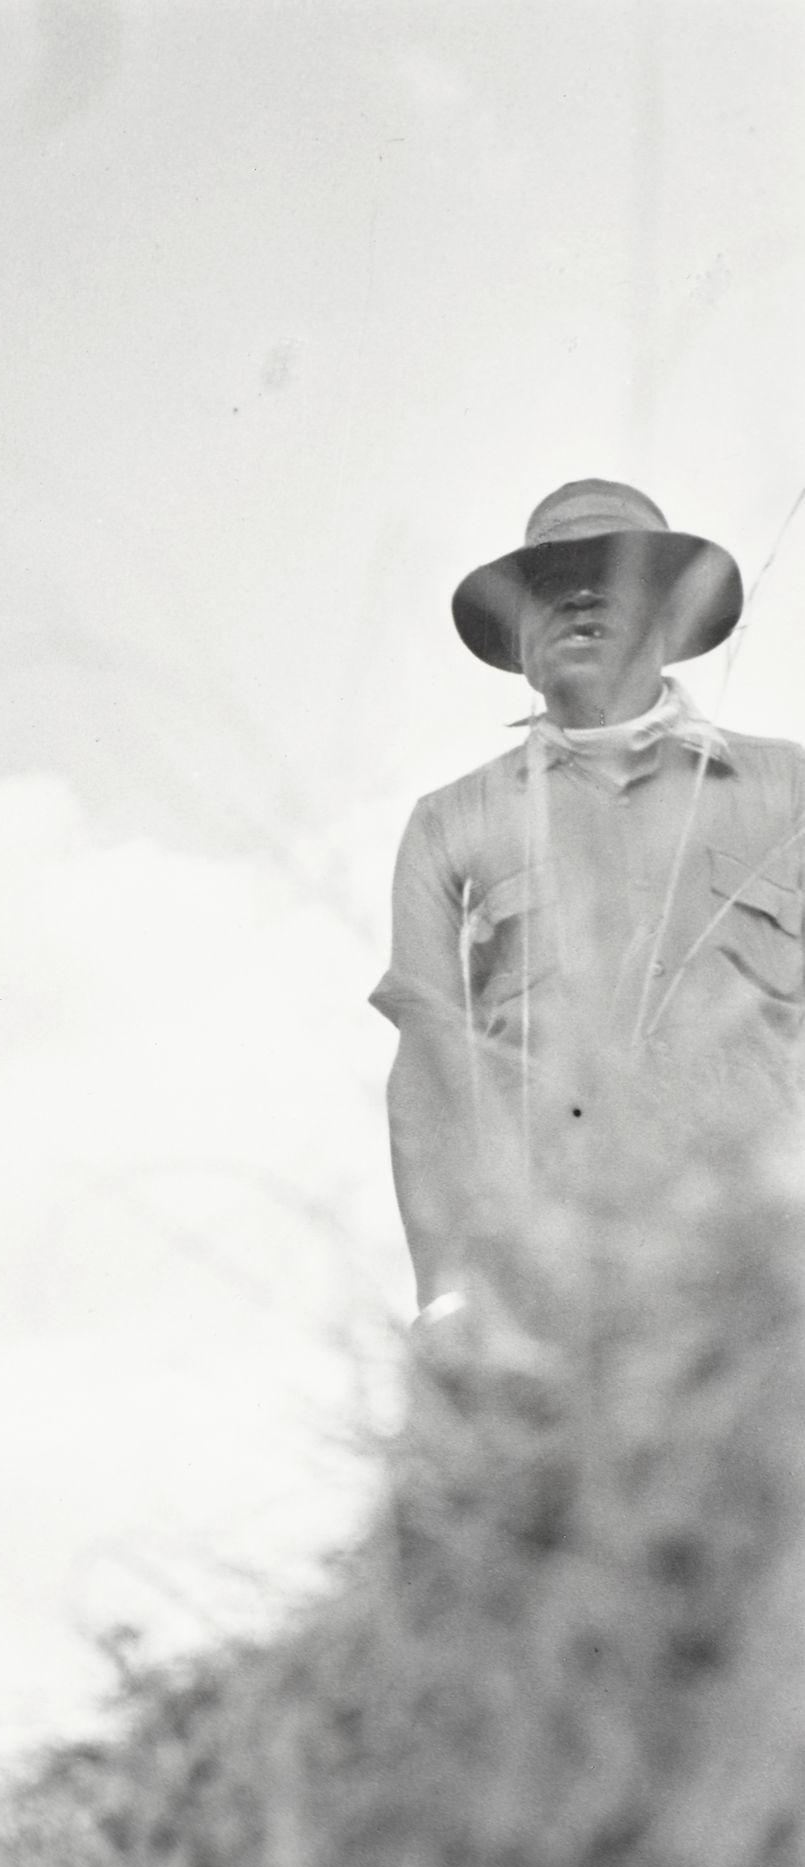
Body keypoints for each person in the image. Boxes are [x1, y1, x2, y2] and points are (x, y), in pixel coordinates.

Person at [382, 480, 805, 1313]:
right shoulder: (447, 823)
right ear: (517, 638)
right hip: (557, 1297)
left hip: (770, 1272)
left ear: (670, 616)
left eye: (612, 575)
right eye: (544, 584)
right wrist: (445, 1294)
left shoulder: (788, 788)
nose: (577, 598)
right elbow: (429, 1077)